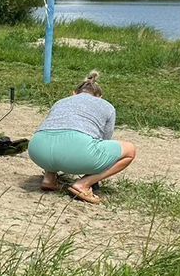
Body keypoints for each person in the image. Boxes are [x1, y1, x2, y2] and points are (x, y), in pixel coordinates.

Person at [28, 70, 136, 204]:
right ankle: (84, 184)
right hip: (78, 149)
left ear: (74, 93)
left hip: (37, 149)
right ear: (100, 97)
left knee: (55, 133)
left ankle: (49, 178)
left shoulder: (60, 102)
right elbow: (105, 139)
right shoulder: (107, 106)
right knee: (129, 150)